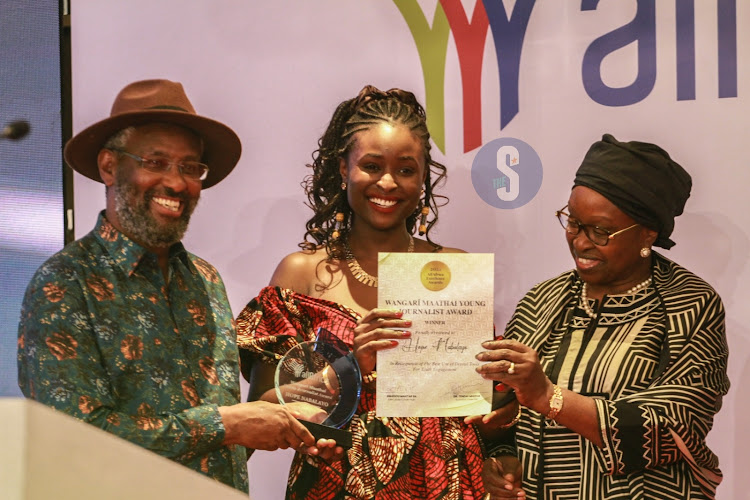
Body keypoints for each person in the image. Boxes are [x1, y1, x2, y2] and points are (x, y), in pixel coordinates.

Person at [17, 79, 335, 493]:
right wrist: (225, 425)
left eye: (190, 168)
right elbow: (73, 439)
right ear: (109, 166)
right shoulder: (63, 284)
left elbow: (219, 431)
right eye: (156, 162)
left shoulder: (205, 280)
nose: (177, 183)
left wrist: (279, 420)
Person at [235, 85, 520, 499]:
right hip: (336, 484)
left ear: (423, 177)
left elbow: (482, 408)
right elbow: (264, 404)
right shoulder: (300, 274)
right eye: (371, 165)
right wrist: (351, 365)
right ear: (342, 169)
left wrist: (506, 400)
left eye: (405, 169)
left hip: (448, 483)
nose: (387, 182)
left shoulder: (453, 268)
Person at [476, 134, 730, 499]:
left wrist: (549, 395)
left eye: (601, 231)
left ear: (647, 234)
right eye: (573, 222)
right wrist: (504, 459)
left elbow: (675, 429)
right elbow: (512, 413)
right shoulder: (541, 300)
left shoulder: (690, 305)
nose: (580, 241)